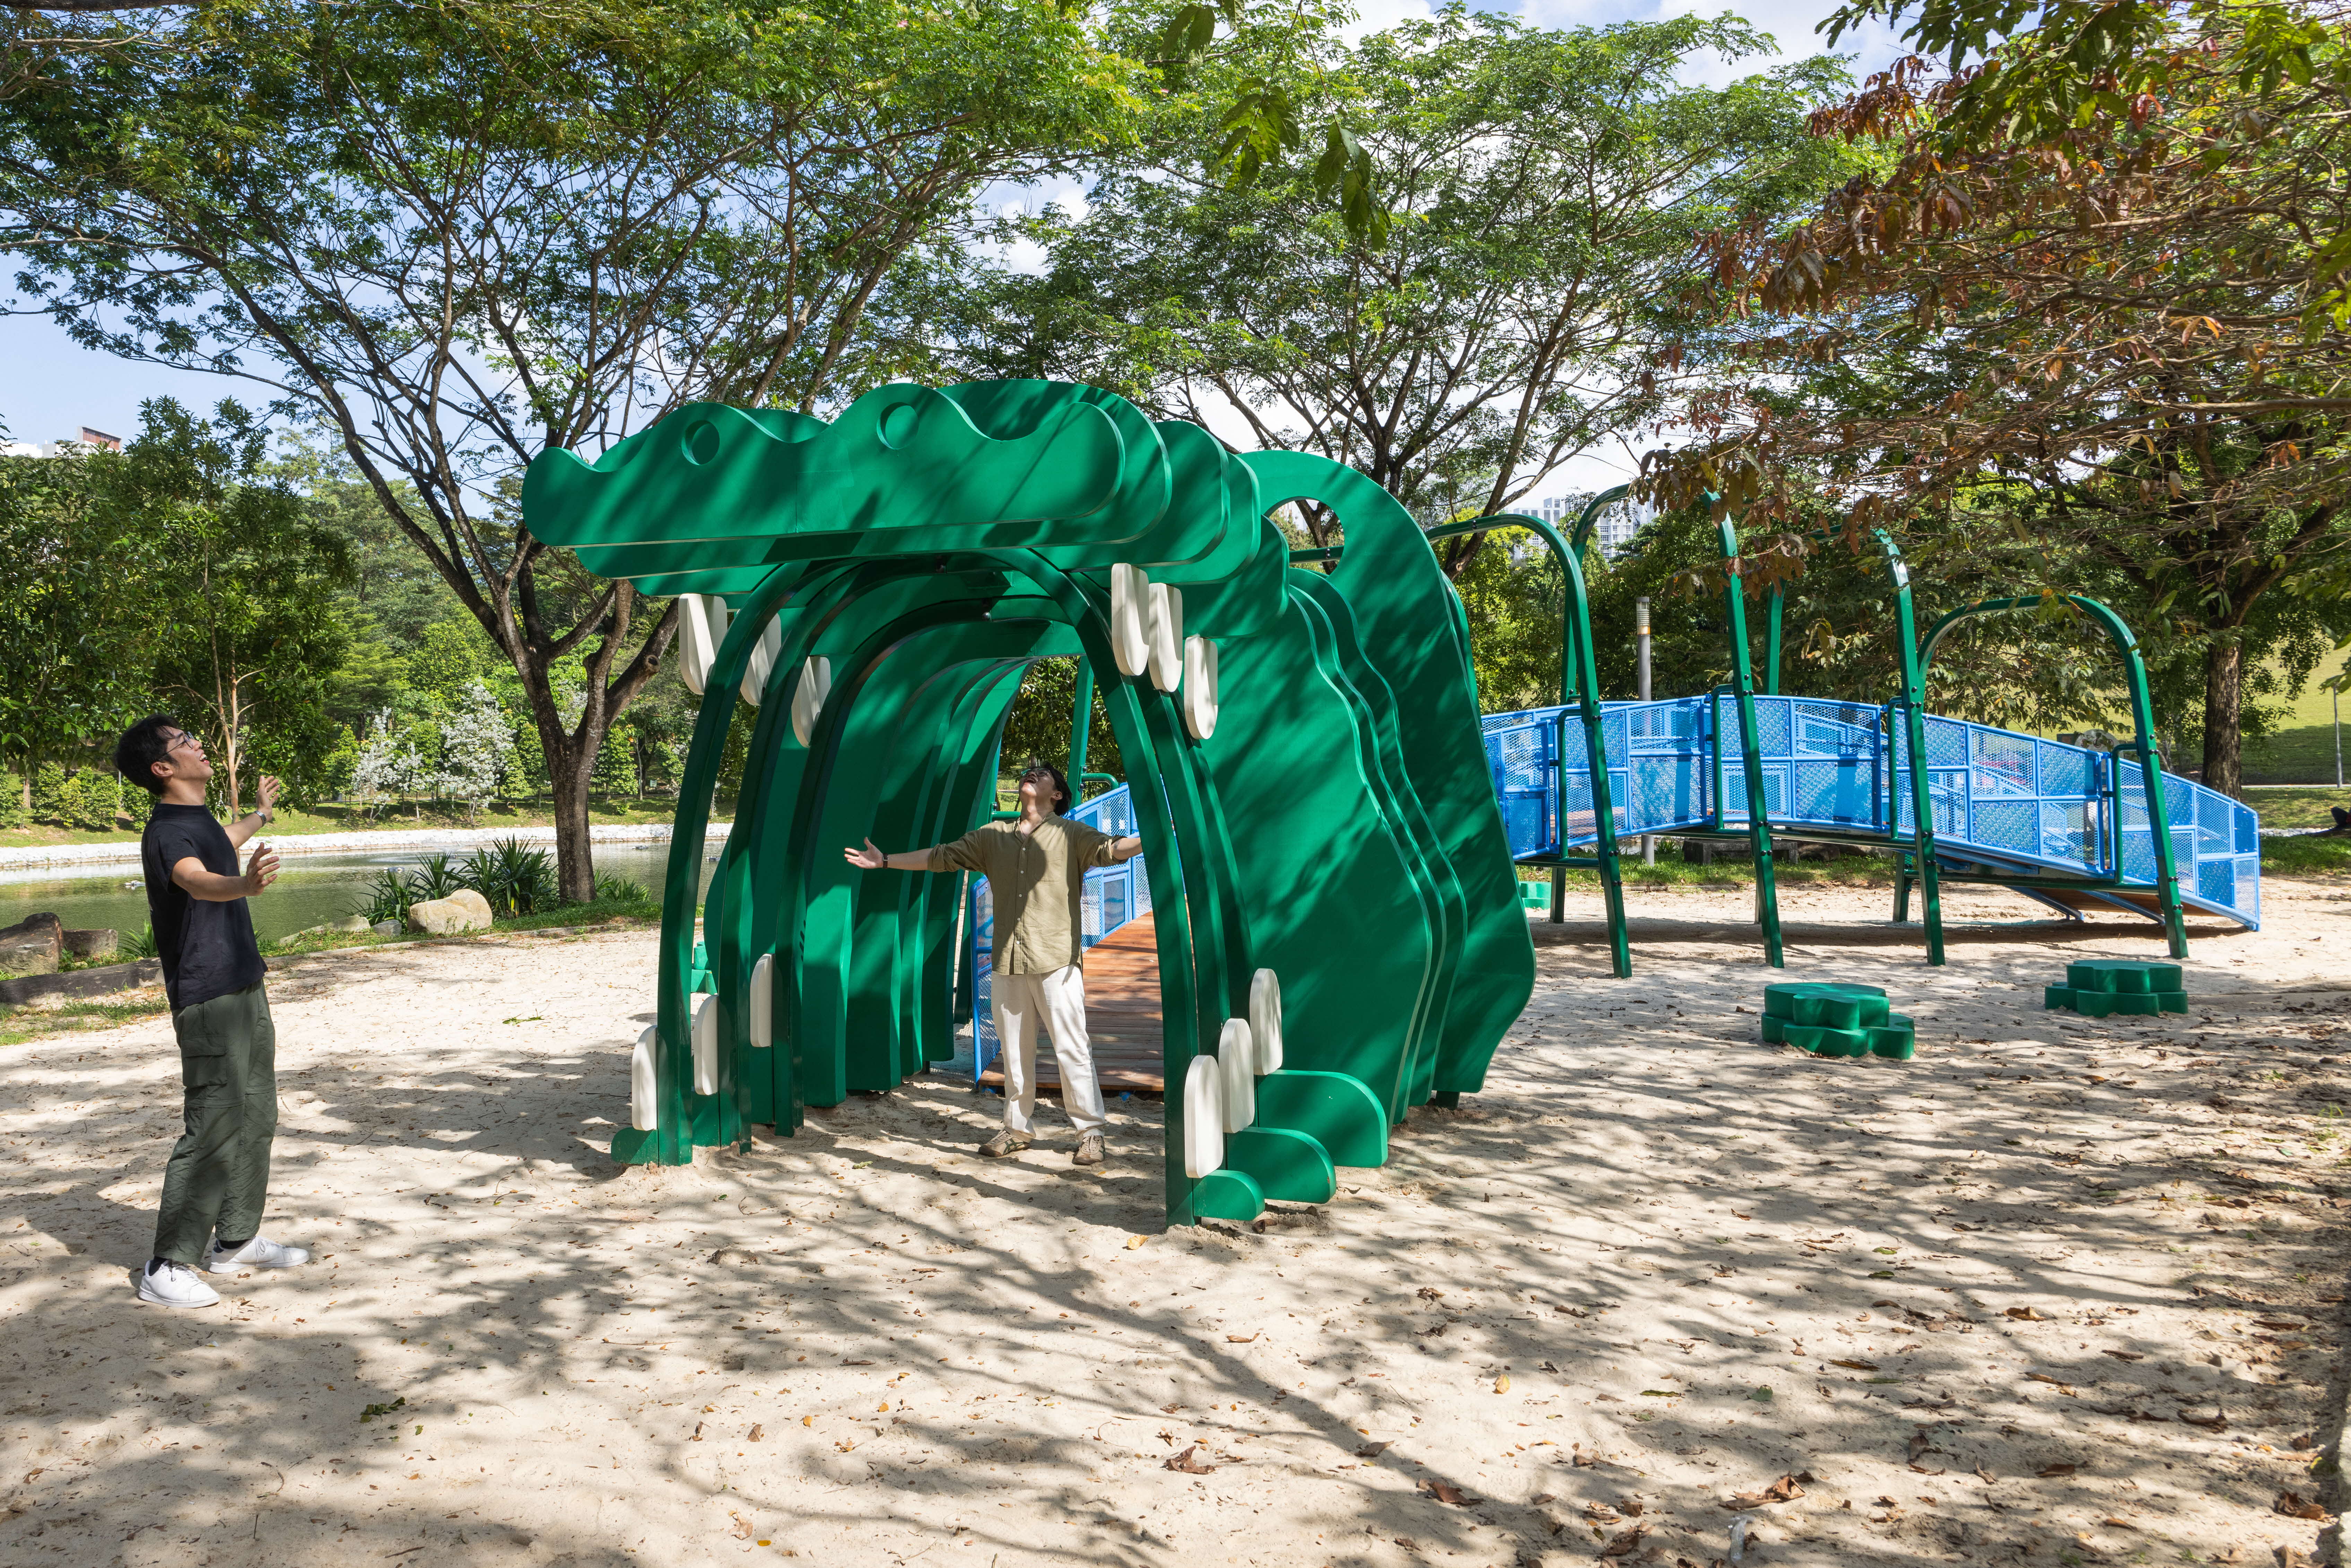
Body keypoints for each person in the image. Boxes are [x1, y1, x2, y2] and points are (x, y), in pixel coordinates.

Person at [844, 760, 1142, 1166]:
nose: (1032, 774)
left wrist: (1147, 839)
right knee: (1015, 1053)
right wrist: (884, 861)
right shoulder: (992, 837)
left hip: (1057, 960)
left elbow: (1110, 850)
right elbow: (941, 857)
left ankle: (1091, 1133)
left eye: (1044, 774)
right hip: (1009, 959)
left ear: (1057, 795)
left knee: (1072, 1047)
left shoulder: (1072, 833)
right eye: (1029, 771)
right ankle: (1018, 1129)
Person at [113, 715, 310, 1309]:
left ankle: (235, 1239)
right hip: (208, 994)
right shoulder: (165, 832)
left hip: (245, 982)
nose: (199, 743)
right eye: (185, 742)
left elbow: (221, 841)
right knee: (215, 1122)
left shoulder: (196, 819)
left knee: (257, 1114)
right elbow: (198, 879)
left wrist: (260, 815)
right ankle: (167, 1264)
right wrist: (245, 887)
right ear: (163, 768)